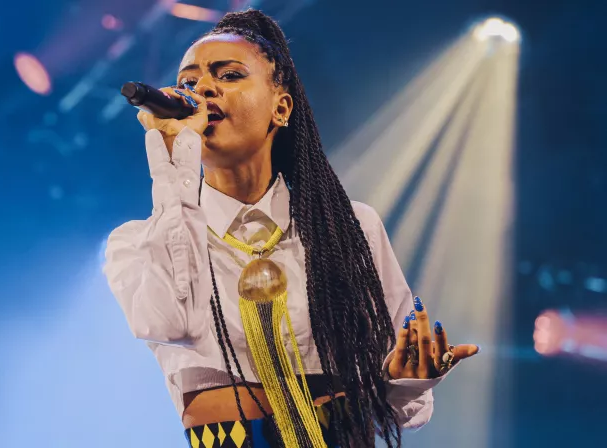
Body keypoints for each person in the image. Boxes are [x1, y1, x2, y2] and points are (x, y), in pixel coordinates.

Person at [104, 9, 479, 448]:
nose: (202, 89)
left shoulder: (348, 229)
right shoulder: (137, 243)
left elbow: (401, 411)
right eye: (188, 82)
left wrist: (406, 378)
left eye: (229, 75)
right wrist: (173, 161)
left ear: (280, 107)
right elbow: (172, 322)